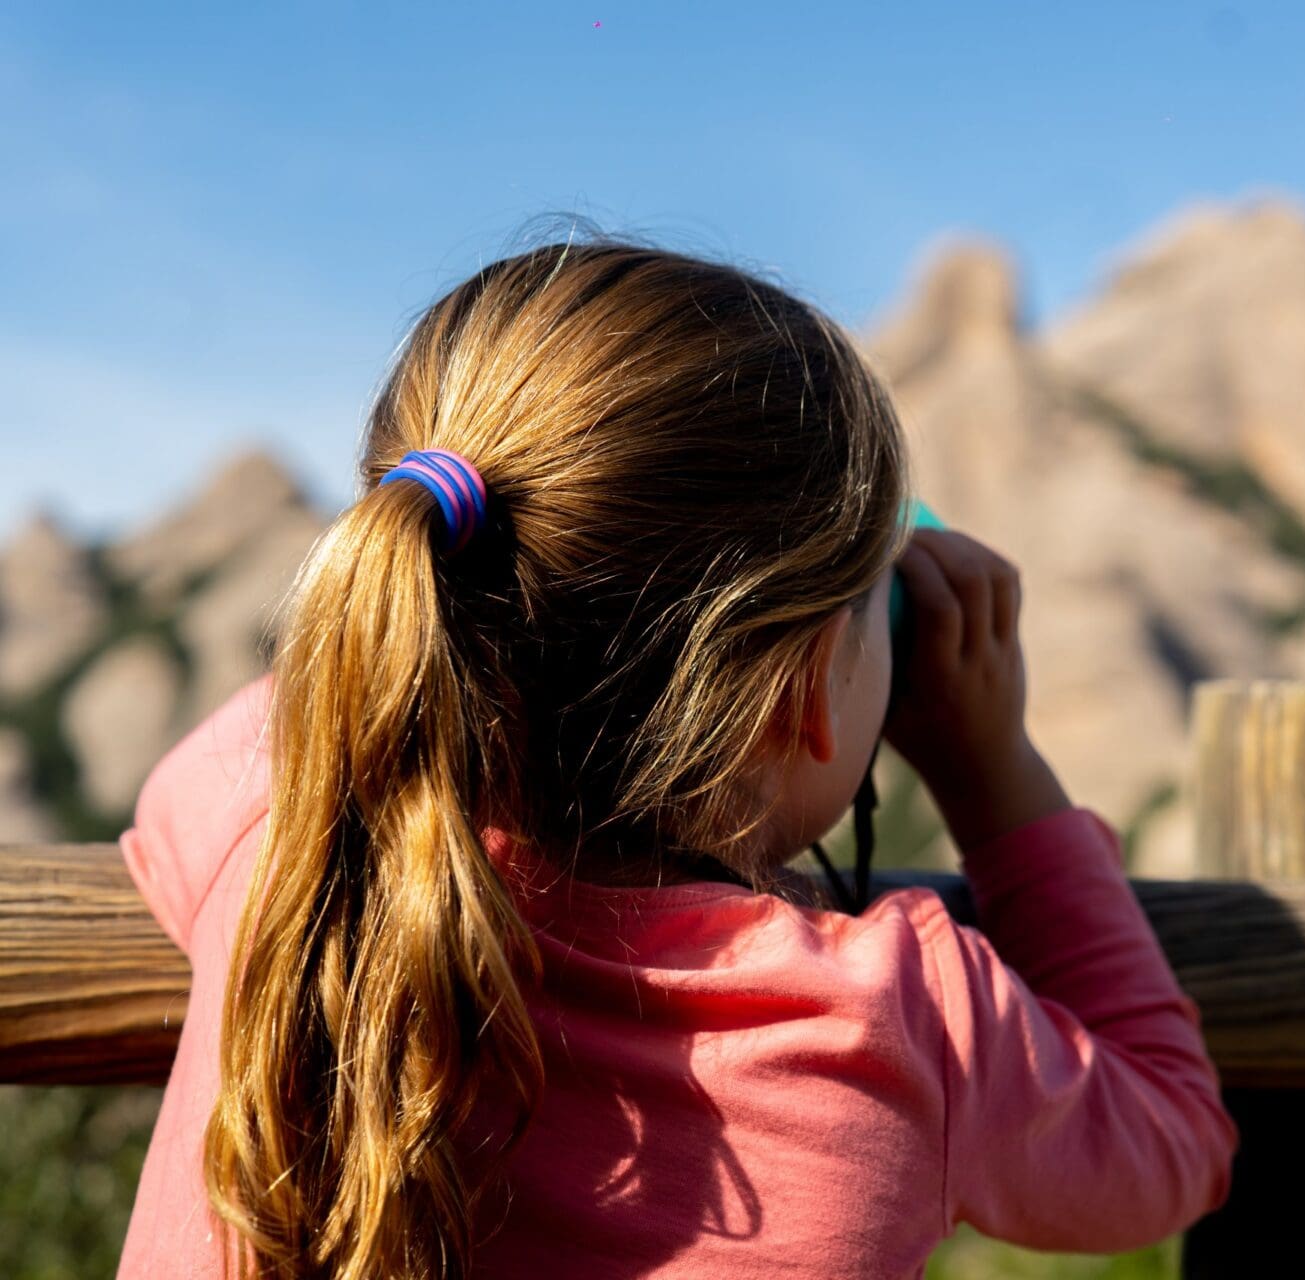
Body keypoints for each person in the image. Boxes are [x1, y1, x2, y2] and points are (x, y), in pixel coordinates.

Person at [113, 228, 1238, 1279]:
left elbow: (228, 770)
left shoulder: (281, 841)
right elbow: (1173, 1134)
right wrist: (994, 773)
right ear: (800, 692)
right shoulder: (901, 1017)